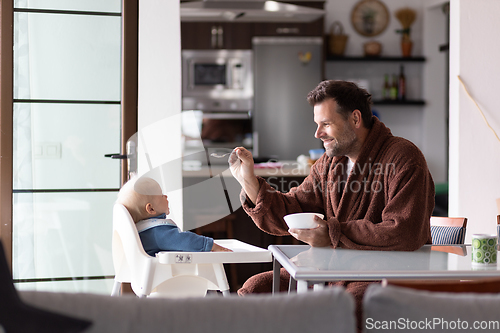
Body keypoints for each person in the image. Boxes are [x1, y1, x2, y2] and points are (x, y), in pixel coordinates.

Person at [228, 80, 434, 330]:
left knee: (351, 307)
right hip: (329, 272)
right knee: (256, 289)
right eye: (317, 125)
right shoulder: (329, 164)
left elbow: (405, 232)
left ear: (355, 119)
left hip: (379, 276)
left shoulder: (403, 158)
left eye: (326, 124)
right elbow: (294, 208)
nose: (318, 133)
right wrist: (249, 182)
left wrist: (332, 234)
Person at [116, 176, 231, 255]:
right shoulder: (157, 232)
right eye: (161, 195)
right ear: (151, 208)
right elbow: (184, 240)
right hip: (165, 279)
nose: (166, 196)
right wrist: (211, 245)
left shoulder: (143, 231)